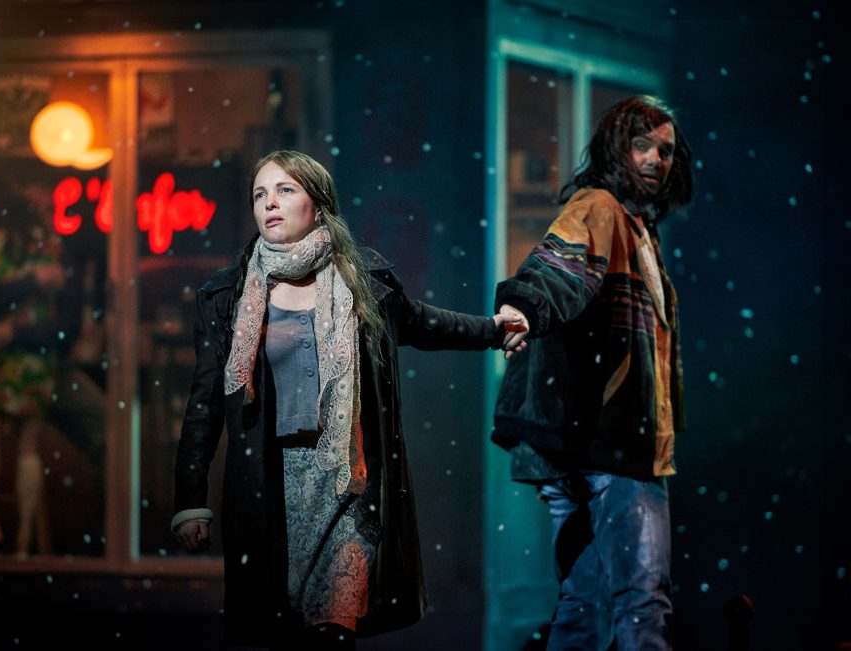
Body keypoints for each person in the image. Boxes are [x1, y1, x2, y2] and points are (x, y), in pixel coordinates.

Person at [171, 150, 509, 649]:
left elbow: (424, 323)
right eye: (260, 194)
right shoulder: (228, 297)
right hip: (270, 484)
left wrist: (494, 331)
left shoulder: (362, 285)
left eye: (286, 190)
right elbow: (204, 404)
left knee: (334, 629)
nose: (271, 204)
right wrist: (189, 501)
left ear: (318, 203)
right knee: (285, 633)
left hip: (346, 481)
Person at [492, 95, 694, 650]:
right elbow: (558, 267)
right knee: (642, 601)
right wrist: (524, 307)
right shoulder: (600, 207)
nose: (656, 159)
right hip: (611, 445)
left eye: (666, 149)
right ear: (615, 148)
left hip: (590, 442)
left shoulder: (637, 228)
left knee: (583, 605)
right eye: (641, 145)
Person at [0, 183, 82, 555]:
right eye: (40, 207)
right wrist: (32, 283)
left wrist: (7, 331)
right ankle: (23, 537)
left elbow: (66, 328)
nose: (45, 214)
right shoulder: (51, 252)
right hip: (31, 357)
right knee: (25, 436)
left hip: (7, 354)